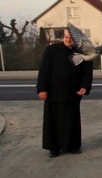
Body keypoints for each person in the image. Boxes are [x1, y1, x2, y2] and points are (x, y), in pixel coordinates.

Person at [37, 28, 93, 158]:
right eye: (66, 37)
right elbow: (44, 70)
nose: (68, 40)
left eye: (71, 38)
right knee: (53, 121)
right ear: (63, 37)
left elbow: (87, 71)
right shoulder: (51, 50)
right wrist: (42, 89)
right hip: (54, 93)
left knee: (72, 120)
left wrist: (85, 86)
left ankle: (73, 146)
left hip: (73, 92)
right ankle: (54, 148)